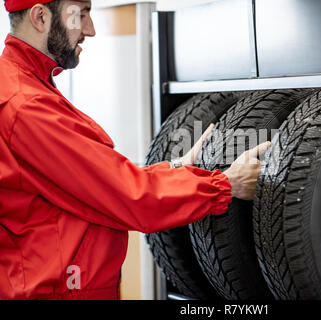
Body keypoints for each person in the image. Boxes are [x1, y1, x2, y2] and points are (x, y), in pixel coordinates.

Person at [0, 0, 270, 300]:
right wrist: (225, 185)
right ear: (40, 16)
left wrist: (176, 168)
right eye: (82, 14)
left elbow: (93, 184)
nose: (90, 30)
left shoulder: (23, 88)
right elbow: (126, 194)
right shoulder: (27, 107)